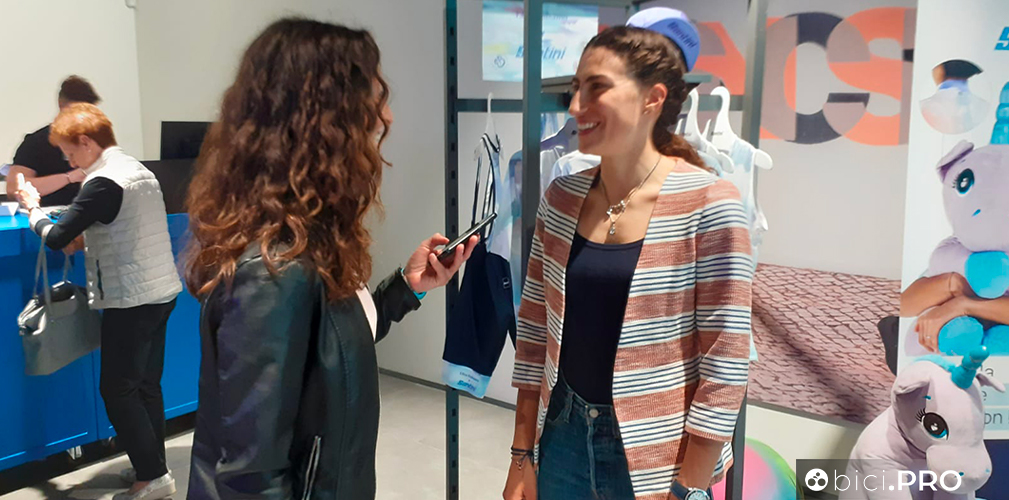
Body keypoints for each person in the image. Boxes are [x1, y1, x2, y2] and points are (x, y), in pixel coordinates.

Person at [182, 18, 477, 500]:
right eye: (374, 99)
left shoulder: (308, 241)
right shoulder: (272, 272)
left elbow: (328, 351)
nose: (386, 117)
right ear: (325, 122)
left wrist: (407, 288)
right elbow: (251, 478)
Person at [503, 15, 753, 500]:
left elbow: (725, 360)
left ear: (652, 99)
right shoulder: (561, 197)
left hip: (659, 453)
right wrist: (520, 454)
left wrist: (689, 488)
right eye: (576, 89)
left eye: (596, 88)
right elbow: (533, 333)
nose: (575, 106)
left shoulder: (709, 202)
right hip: (562, 437)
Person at [15, 103, 182, 500]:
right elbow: (121, 226)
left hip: (131, 298)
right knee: (146, 386)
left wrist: (32, 207)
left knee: (118, 390)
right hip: (160, 291)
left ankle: (152, 477)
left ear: (86, 142)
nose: (70, 162)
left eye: (70, 153)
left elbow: (56, 237)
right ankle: (153, 465)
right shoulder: (136, 170)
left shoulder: (104, 182)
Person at [7, 76, 101, 206]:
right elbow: (14, 188)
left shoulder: (96, 140)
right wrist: (69, 178)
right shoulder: (36, 143)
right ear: (61, 106)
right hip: (47, 213)